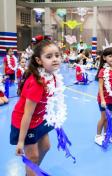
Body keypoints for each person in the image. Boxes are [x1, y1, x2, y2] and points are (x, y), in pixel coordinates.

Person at [10, 39, 61, 176]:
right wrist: (20, 142)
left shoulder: (52, 76)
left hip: (39, 118)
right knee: (33, 156)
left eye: (57, 55)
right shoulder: (37, 83)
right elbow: (26, 114)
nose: (55, 59)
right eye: (49, 57)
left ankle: (33, 170)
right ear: (39, 61)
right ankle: (31, 171)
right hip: (25, 122)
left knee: (45, 147)